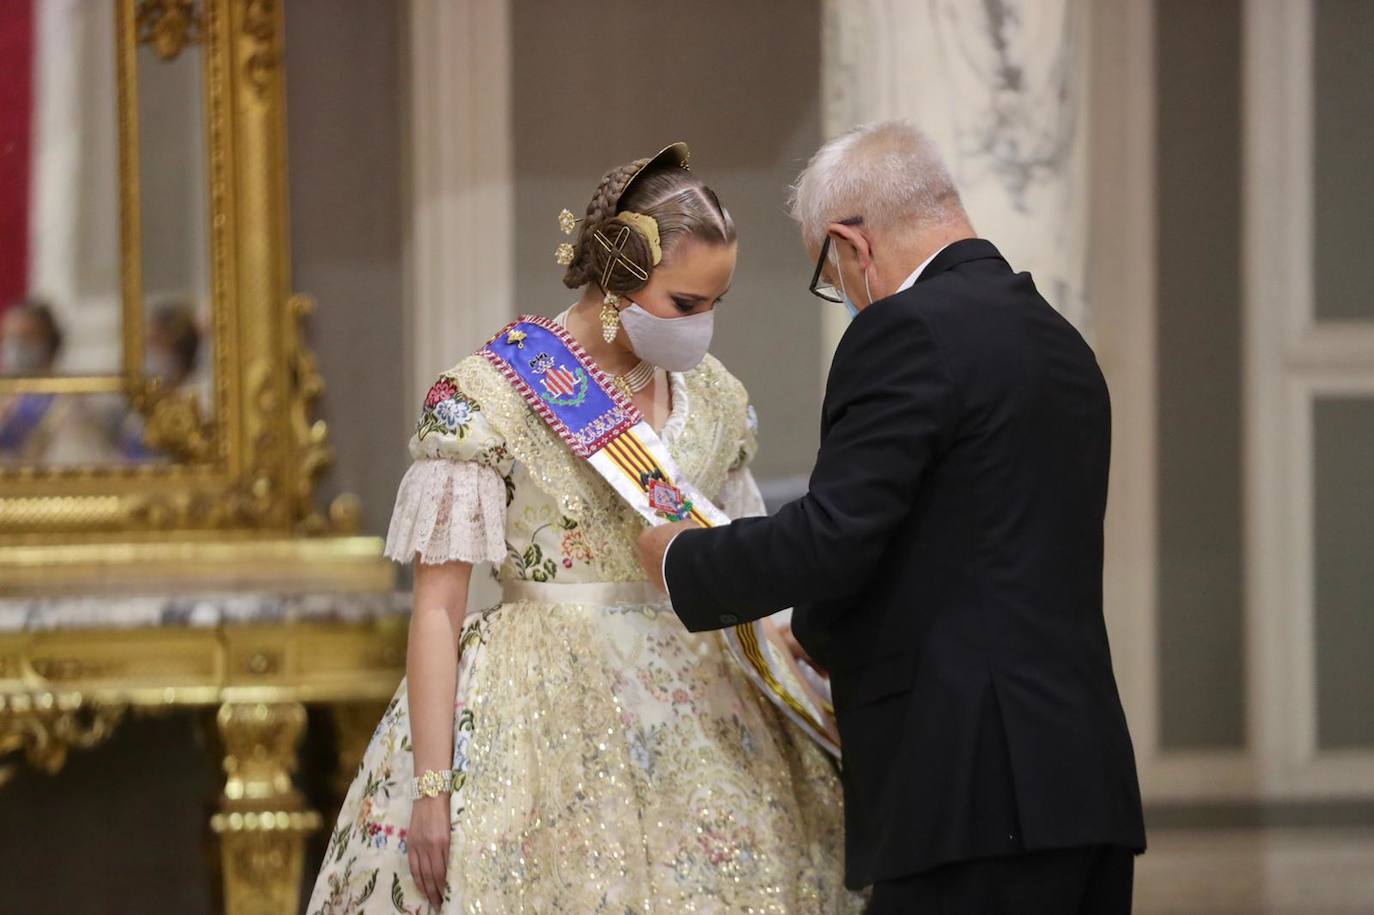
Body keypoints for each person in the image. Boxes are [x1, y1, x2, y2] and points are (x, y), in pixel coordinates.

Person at [309, 143, 862, 914]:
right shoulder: (491, 396)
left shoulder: (717, 398)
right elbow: (436, 608)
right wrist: (432, 790)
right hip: (539, 716)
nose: (702, 328)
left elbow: (745, 555)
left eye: (716, 303)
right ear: (616, 283)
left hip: (705, 706)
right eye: (685, 305)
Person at [638, 121, 1147, 913]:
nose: (840, 288)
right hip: (1086, 785)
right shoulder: (1059, 341)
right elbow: (958, 543)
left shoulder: (906, 331)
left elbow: (835, 535)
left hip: (967, 792)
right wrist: (818, 633)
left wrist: (681, 561)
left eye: (829, 269)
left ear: (852, 244)